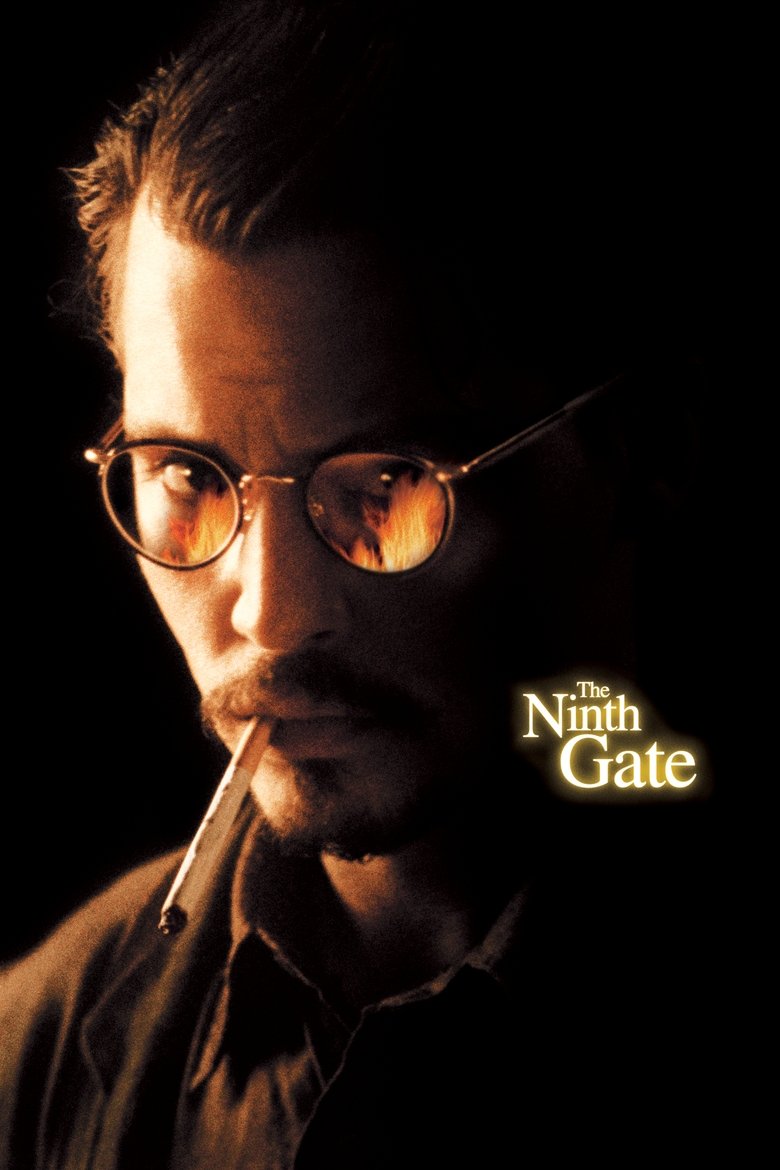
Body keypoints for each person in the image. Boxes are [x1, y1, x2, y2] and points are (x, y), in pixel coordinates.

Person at [1, 2, 720, 1167]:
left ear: (641, 456)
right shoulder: (42, 1053)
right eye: (186, 474)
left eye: (386, 484)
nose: (269, 612)